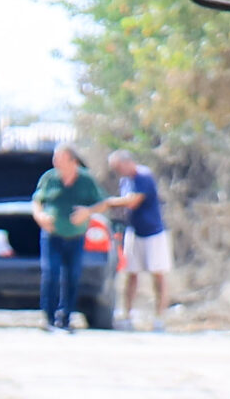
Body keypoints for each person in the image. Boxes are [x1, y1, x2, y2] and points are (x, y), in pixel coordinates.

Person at [29, 142, 105, 333]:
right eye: (55, 158)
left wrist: (87, 212)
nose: (55, 162)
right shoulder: (49, 178)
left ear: (72, 161)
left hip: (75, 236)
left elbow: (103, 204)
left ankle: (66, 316)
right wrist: (40, 216)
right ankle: (48, 316)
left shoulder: (86, 180)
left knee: (72, 275)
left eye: (60, 158)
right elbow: (37, 202)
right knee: (50, 273)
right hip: (52, 235)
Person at [106, 150, 171, 330]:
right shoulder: (125, 180)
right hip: (134, 231)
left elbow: (133, 201)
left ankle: (160, 317)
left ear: (127, 162)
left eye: (118, 167)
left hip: (153, 232)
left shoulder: (143, 176)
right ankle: (128, 314)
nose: (118, 171)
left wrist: (107, 203)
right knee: (131, 273)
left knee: (158, 274)